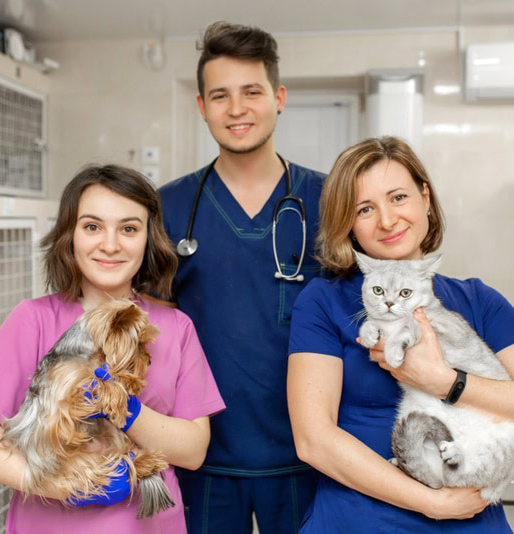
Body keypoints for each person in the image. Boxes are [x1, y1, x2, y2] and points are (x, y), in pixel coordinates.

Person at [287, 137, 514, 532]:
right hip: (360, 520)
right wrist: (430, 502)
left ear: (424, 198)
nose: (387, 220)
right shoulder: (323, 302)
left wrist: (444, 381)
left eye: (399, 197)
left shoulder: (480, 301)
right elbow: (313, 439)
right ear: (348, 225)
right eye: (365, 209)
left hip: (470, 519)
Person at [0, 165, 225, 533]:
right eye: (92, 226)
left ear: (148, 239)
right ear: (70, 236)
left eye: (128, 228)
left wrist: (126, 411)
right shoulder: (32, 319)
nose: (110, 245)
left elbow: (193, 451)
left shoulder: (175, 328)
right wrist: (70, 486)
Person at [158, 21, 325, 534]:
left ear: (278, 97)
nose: (236, 109)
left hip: (308, 451)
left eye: (251, 92)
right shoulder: (168, 207)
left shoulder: (329, 200)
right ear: (201, 106)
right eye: (220, 95)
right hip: (201, 456)